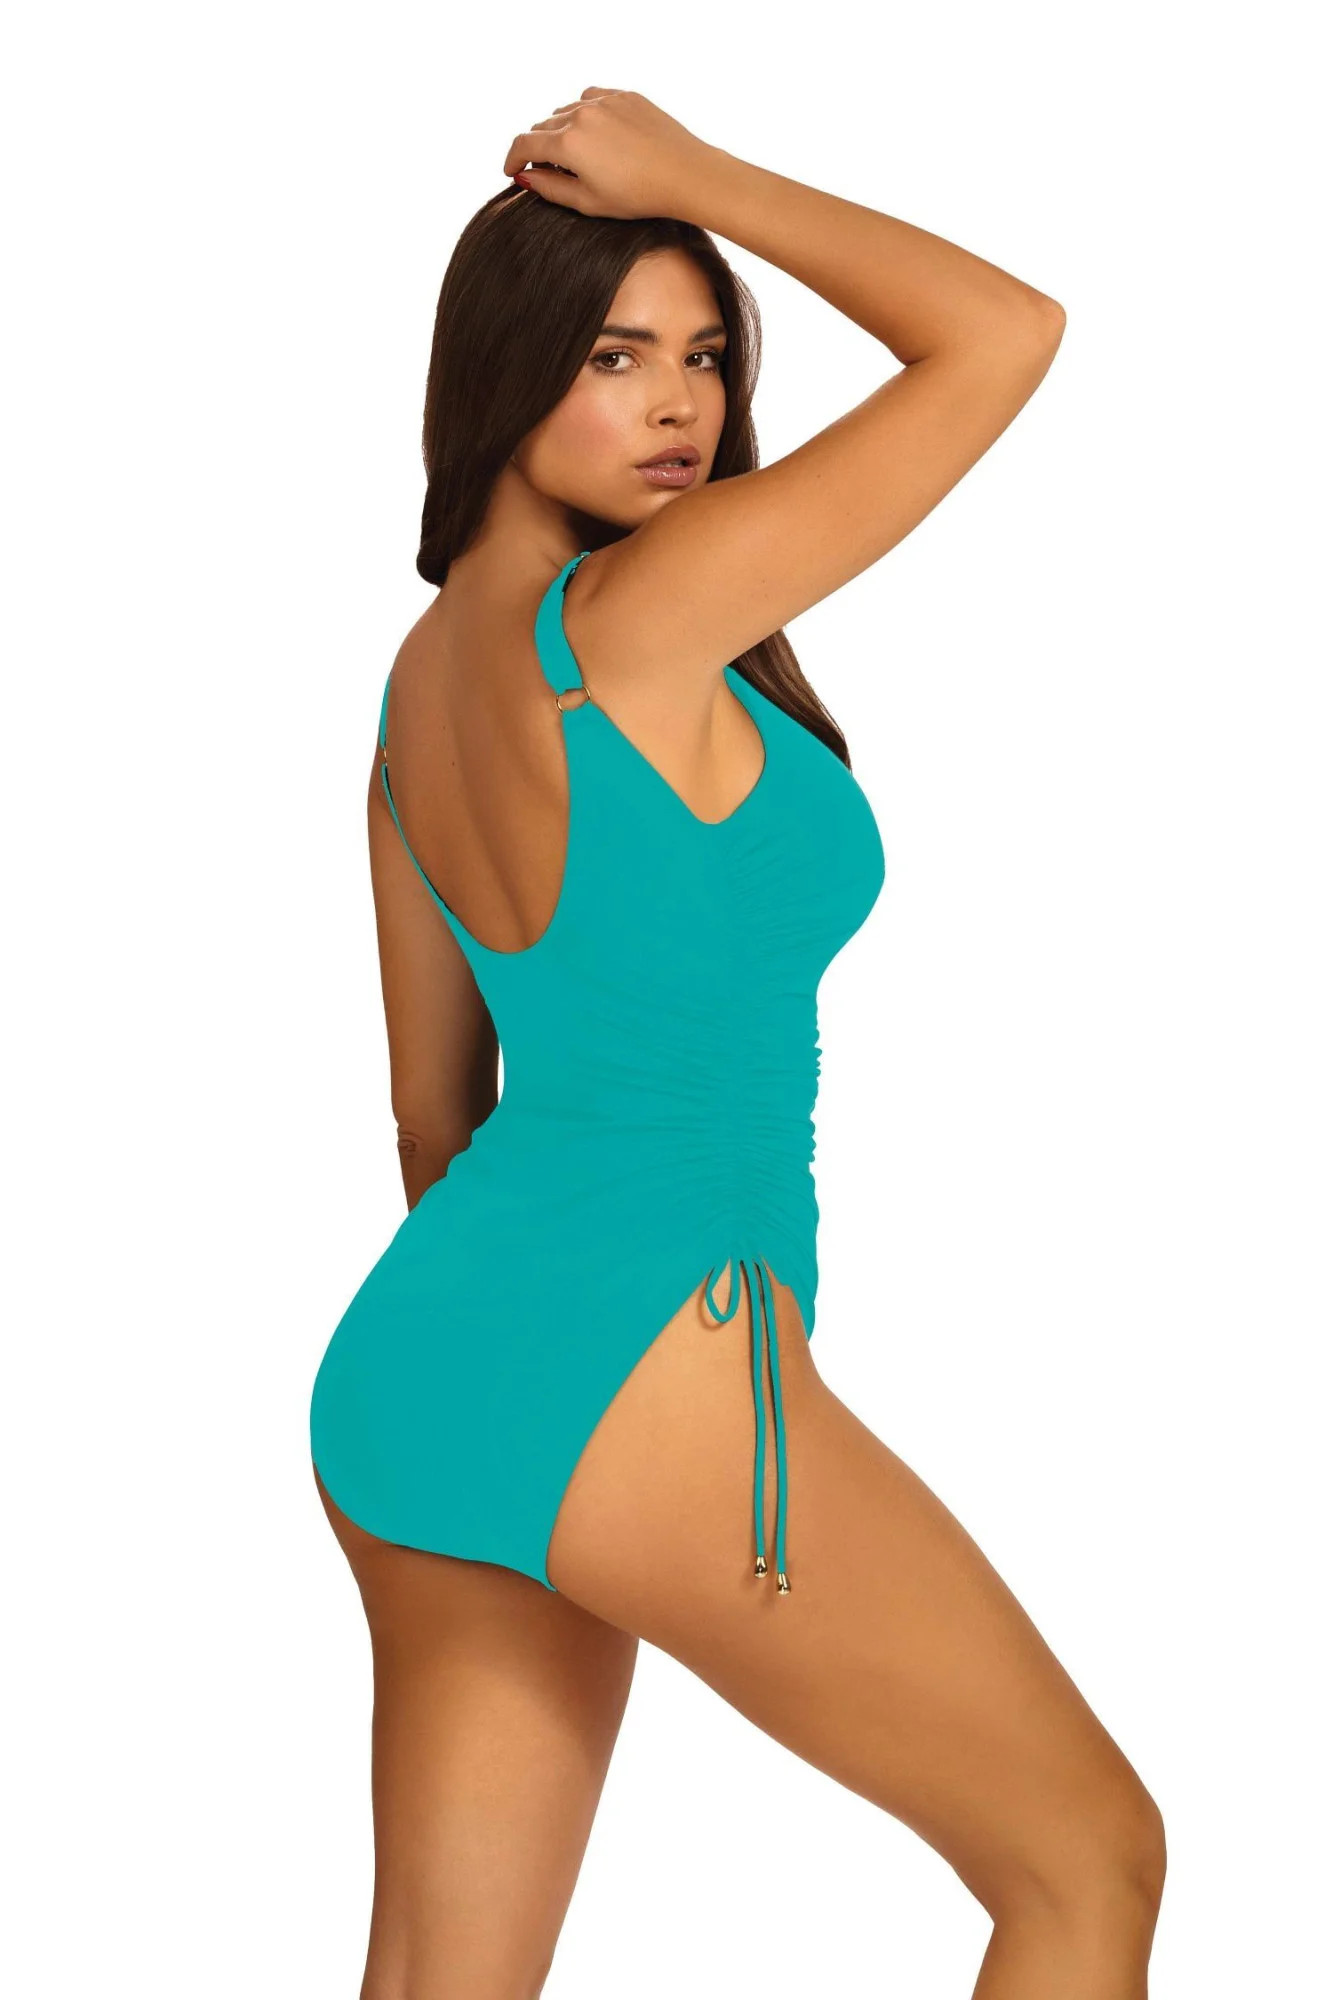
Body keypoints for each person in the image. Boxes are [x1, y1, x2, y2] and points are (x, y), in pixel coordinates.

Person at [309, 87, 1165, 2000]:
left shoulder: (413, 690)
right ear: (506, 369)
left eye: (705, 357)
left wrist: (540, 1382)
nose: (680, 405)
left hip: (417, 1369)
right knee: (1085, 1862)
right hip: (657, 1342)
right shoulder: (632, 622)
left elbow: (432, 1121)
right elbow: (1002, 334)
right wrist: (695, 177)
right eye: (615, 356)